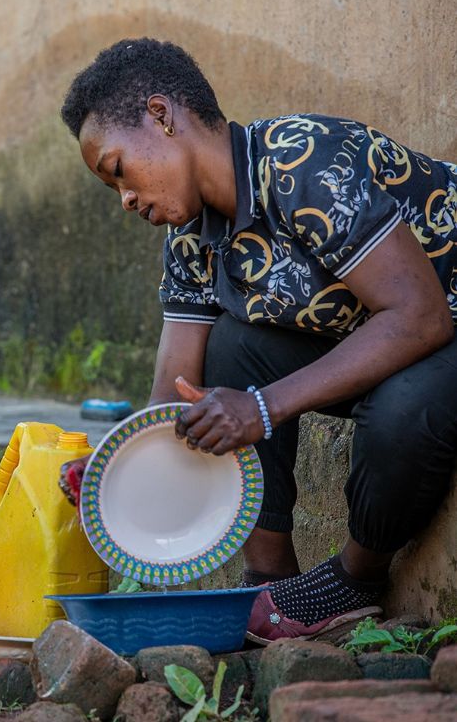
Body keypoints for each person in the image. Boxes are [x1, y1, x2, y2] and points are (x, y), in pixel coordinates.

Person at [57, 38, 457, 644]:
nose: (126, 199)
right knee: (230, 349)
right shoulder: (190, 235)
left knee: (404, 406)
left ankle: (354, 579)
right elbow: (177, 387)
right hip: (386, 344)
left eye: (118, 169)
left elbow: (421, 318)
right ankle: (269, 574)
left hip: (439, 325)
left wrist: (264, 407)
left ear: (162, 117)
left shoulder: (302, 161)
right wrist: (120, 465)